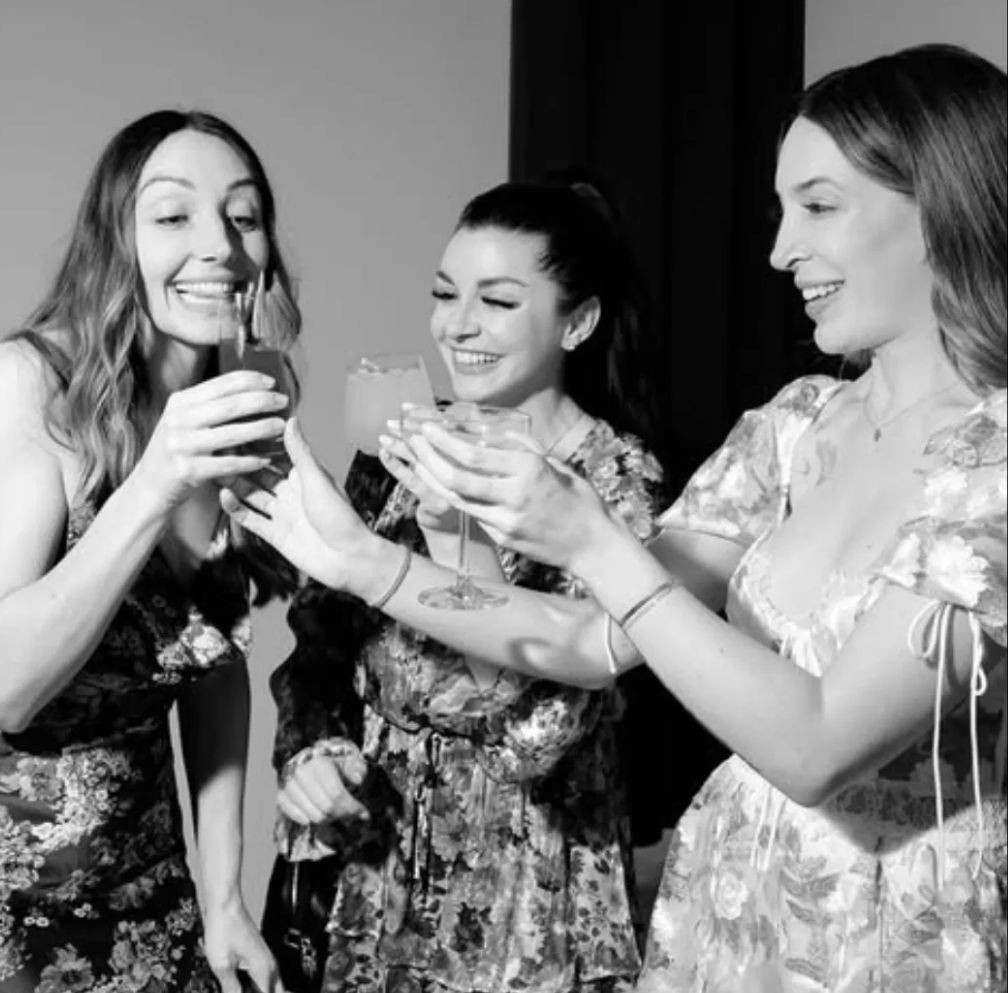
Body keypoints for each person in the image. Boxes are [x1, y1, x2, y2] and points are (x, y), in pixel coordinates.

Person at [223, 44, 1007, 991]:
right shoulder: (796, 427)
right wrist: (360, 561)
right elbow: (595, 639)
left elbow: (816, 747)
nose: (778, 249)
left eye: (820, 205)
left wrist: (590, 535)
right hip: (734, 907)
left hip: (896, 933)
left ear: (939, 205)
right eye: (780, 209)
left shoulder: (996, 460)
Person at [258, 179, 668, 993]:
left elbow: (534, 731)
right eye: (446, 294)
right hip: (370, 852)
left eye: (499, 301)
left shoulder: (615, 487)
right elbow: (321, 641)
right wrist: (314, 746)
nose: (458, 325)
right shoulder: (398, 444)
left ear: (578, 322)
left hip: (524, 880)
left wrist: (450, 534)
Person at [0, 109, 299, 992]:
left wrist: (224, 900)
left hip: (151, 913)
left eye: (242, 216)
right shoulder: (31, 388)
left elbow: (211, 660)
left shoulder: (245, 392)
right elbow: (9, 687)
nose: (219, 245)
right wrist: (157, 480)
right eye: (173, 216)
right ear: (116, 239)